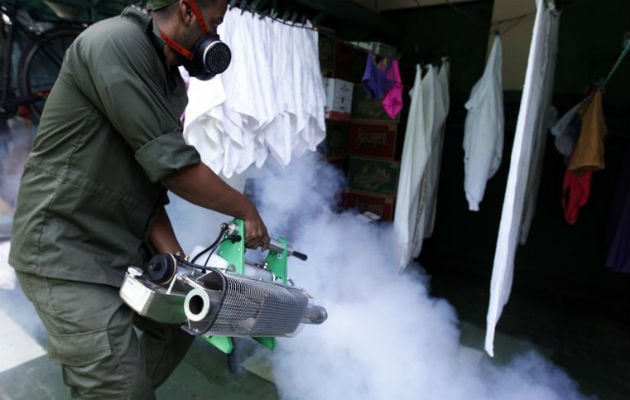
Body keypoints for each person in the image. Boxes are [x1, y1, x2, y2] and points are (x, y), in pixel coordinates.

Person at [8, 0, 270, 398]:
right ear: (187, 10)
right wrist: (244, 208)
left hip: (115, 239)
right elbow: (174, 168)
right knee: (120, 388)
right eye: (214, 23)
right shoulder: (114, 42)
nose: (215, 36)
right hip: (64, 248)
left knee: (179, 320)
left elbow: (147, 185)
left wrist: (180, 267)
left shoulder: (163, 75)